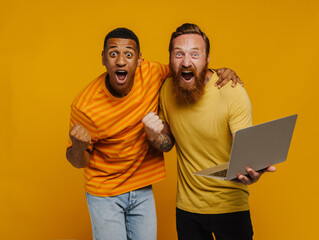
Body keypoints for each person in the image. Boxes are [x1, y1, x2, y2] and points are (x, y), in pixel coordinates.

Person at [66, 27, 242, 240]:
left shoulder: (152, 73)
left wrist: (219, 72)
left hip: (141, 189)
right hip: (105, 193)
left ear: (139, 59)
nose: (121, 61)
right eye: (113, 54)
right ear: (103, 58)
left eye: (128, 54)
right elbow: (79, 161)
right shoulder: (85, 105)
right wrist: (77, 146)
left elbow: (186, 71)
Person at [142, 23, 276, 240]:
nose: (186, 61)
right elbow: (167, 143)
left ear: (207, 59)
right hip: (187, 211)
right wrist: (151, 135)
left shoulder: (231, 92)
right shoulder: (166, 89)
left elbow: (247, 154)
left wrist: (254, 172)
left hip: (231, 209)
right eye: (179, 54)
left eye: (195, 54)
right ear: (170, 58)